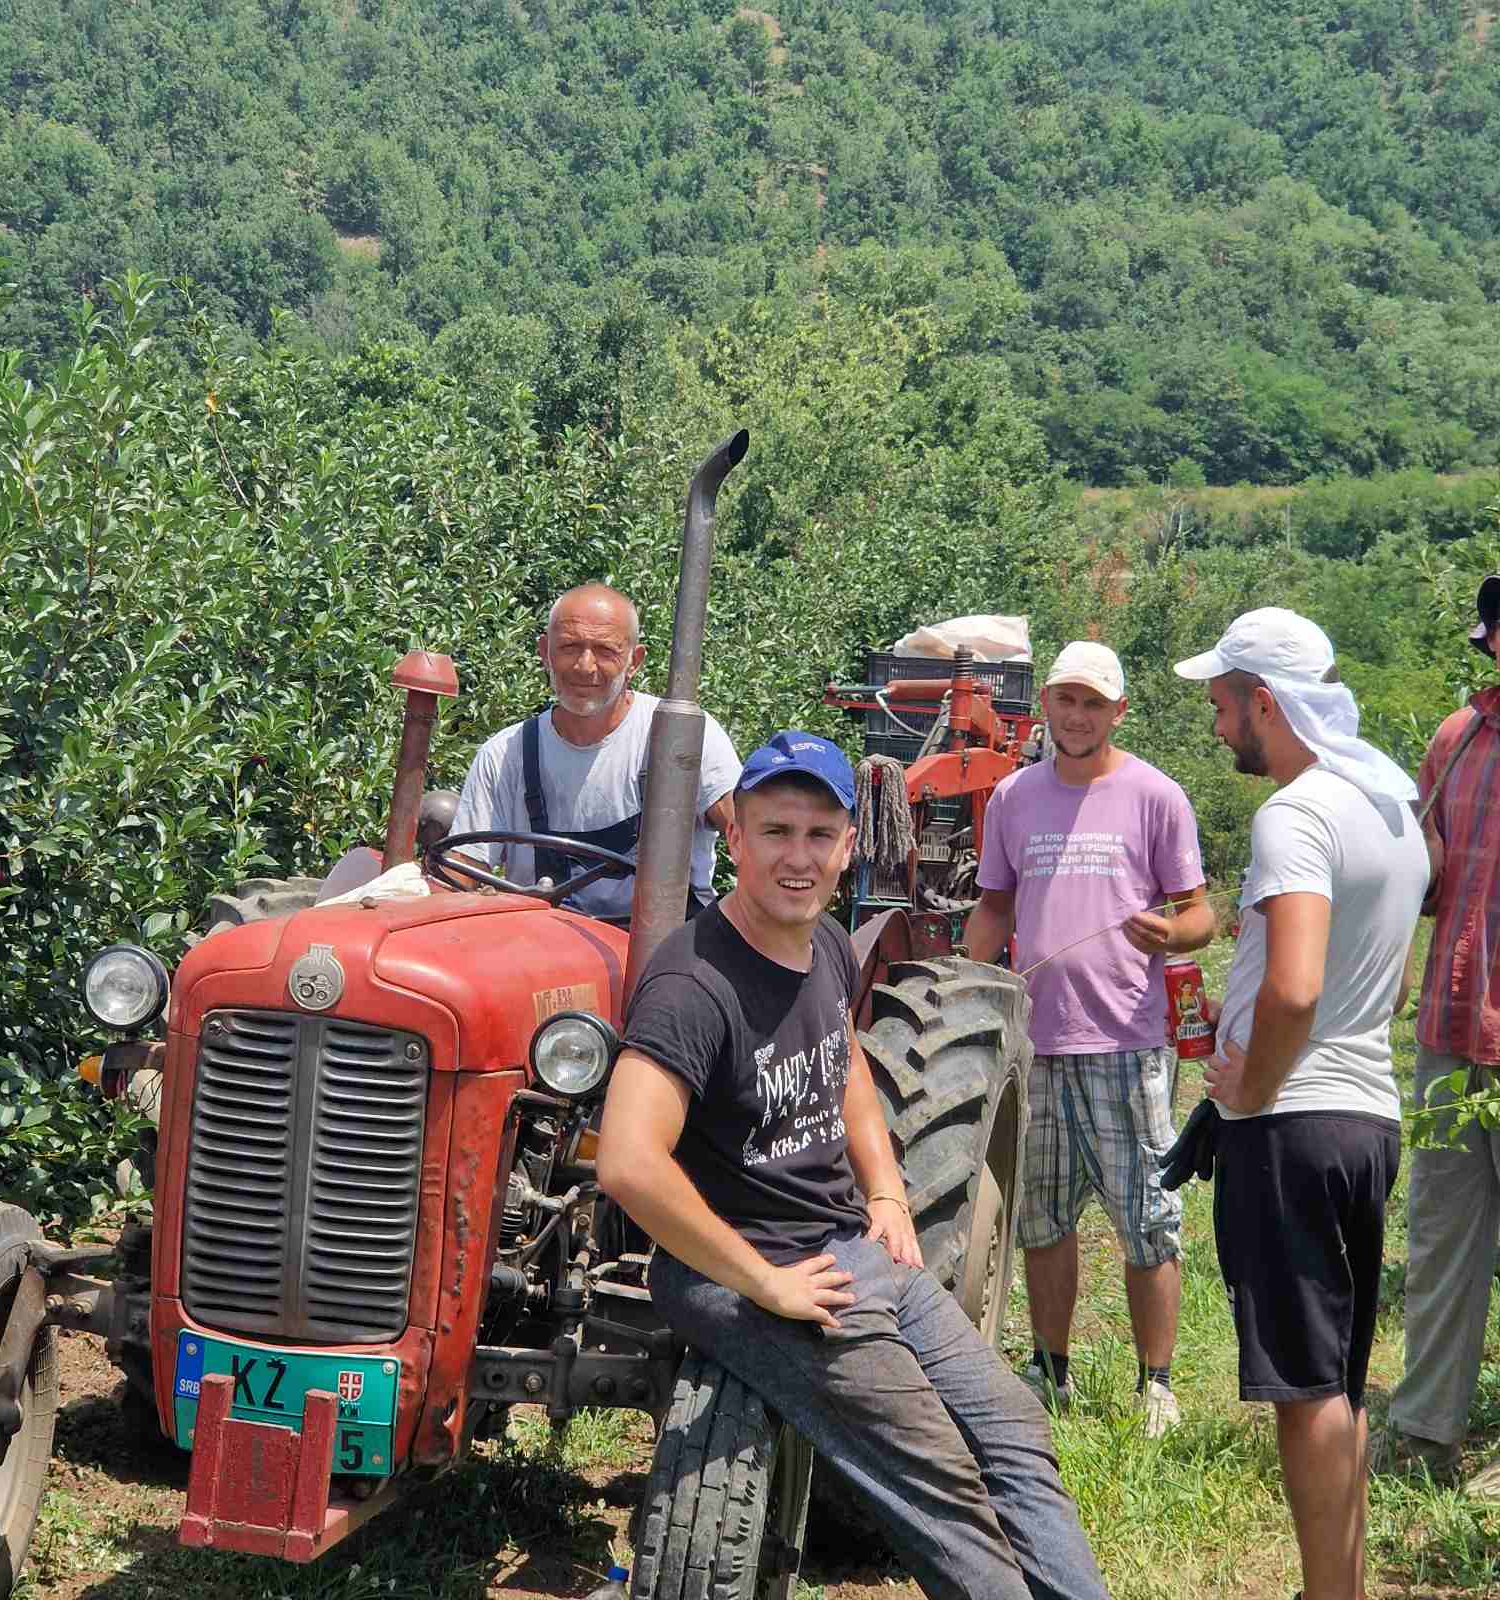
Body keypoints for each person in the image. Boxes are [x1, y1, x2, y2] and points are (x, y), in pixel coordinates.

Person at [598, 732, 1112, 1600]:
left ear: (848, 846)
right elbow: (627, 1163)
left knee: (1013, 1428)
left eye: (817, 834)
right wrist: (766, 1283)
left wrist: (884, 1190)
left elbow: (848, 1072)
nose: (796, 857)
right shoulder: (693, 982)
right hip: (751, 1273)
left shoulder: (827, 945)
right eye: (775, 832)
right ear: (736, 839)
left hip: (851, 1248)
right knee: (941, 1476)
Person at [1175, 608, 1427, 1600]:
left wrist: (1255, 1081)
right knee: (1337, 1378)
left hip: (1294, 1125)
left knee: (1304, 1391)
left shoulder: (1297, 813)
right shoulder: (1392, 804)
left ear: (1265, 703)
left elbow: (1292, 986)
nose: (1214, 721)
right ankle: (1339, 1584)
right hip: (1367, 1116)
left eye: (1222, 703)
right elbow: (1392, 987)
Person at [963, 641, 1213, 1435]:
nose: (1077, 716)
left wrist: (1171, 933)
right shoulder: (1012, 798)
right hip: (1036, 1044)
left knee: (1146, 1217)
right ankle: (1050, 1371)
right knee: (1040, 1217)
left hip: (1128, 1041)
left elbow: (1202, 913)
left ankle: (1157, 1386)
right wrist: (972, 993)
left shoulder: (1155, 796)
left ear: (1118, 712)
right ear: (1046, 705)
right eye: (1066, 701)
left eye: (1094, 704)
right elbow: (994, 910)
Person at [1377, 574, 1500, 1500]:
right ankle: (1425, 1434)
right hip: (1453, 1033)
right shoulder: (1457, 743)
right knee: (1443, 1238)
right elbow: (1426, 877)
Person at [446, 583, 741, 917]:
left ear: (634, 661)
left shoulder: (683, 738)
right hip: (540, 949)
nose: (585, 666)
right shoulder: (503, 755)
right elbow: (461, 873)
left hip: (664, 955)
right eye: (570, 647)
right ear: (545, 652)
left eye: (605, 651)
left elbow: (749, 837)